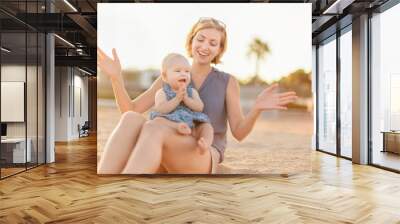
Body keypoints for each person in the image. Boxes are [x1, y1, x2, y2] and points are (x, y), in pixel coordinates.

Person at [97, 17, 298, 174]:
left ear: (219, 49)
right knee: (131, 119)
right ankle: (104, 185)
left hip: (202, 152)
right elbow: (129, 110)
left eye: (213, 42)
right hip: (165, 141)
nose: (204, 46)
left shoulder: (227, 82)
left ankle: (124, 191)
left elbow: (239, 132)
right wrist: (116, 78)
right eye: (200, 39)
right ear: (191, 41)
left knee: (154, 127)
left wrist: (256, 109)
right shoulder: (171, 73)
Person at [149, 53, 213, 155]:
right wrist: (177, 99)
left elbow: (200, 107)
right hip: (171, 120)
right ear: (165, 77)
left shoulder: (192, 92)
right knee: (158, 120)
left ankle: (205, 143)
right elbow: (161, 109)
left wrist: (187, 99)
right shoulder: (162, 92)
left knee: (207, 126)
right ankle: (178, 127)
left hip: (191, 120)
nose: (183, 74)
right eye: (178, 71)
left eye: (187, 71)